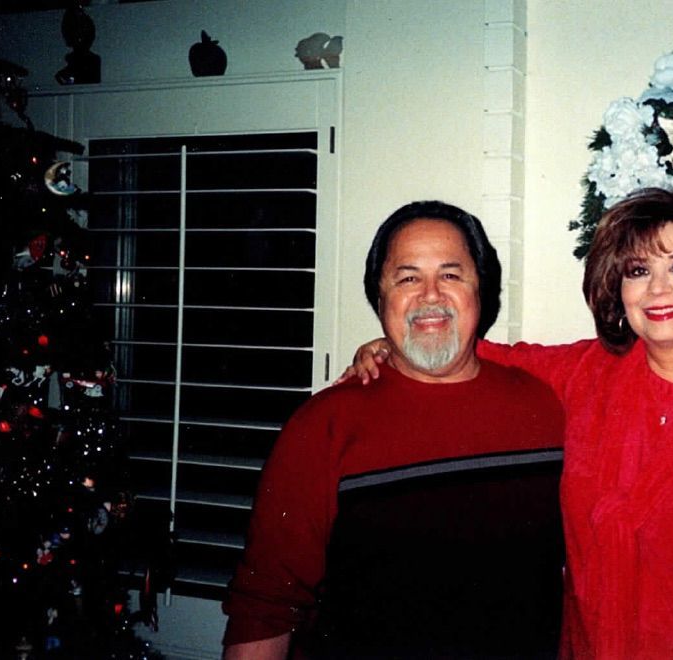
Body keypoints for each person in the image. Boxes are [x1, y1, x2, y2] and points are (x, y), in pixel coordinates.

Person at [346, 188, 673, 658]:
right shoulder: (589, 374)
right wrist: (399, 344)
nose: (657, 288)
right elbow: (490, 358)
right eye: (637, 270)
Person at [223, 201, 566, 659]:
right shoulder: (324, 425)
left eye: (451, 275)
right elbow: (265, 603)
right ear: (380, 299)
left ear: (480, 291)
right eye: (407, 279)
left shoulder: (544, 407)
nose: (430, 295)